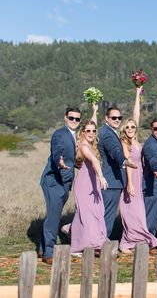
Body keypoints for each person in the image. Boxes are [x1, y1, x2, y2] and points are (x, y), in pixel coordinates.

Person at [118, 87, 157, 253]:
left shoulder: (135, 140)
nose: (130, 129)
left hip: (138, 176)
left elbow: (136, 116)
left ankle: (133, 240)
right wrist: (129, 183)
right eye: (127, 128)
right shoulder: (124, 142)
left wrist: (137, 94)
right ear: (123, 129)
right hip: (131, 177)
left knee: (138, 212)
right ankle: (127, 242)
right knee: (130, 211)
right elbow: (127, 162)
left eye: (132, 127)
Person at [39, 106, 81, 264]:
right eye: (71, 118)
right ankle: (49, 253)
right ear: (65, 118)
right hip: (54, 180)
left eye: (77, 119)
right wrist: (59, 162)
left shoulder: (74, 135)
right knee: (54, 215)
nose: (74, 121)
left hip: (65, 181)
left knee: (53, 214)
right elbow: (57, 151)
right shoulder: (60, 134)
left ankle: (43, 248)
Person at [70, 115, 109, 255]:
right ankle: (80, 245)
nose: (91, 133)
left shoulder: (92, 146)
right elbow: (94, 161)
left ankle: (93, 240)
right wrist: (102, 176)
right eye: (88, 131)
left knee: (97, 211)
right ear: (83, 133)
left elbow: (92, 123)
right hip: (85, 184)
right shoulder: (83, 146)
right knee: (87, 213)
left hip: (94, 183)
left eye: (93, 131)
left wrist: (94, 110)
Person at [98, 106, 136, 238]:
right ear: (106, 119)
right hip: (111, 181)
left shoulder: (108, 131)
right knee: (107, 215)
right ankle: (101, 244)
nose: (117, 120)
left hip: (113, 181)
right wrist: (124, 161)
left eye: (119, 118)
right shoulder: (107, 134)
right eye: (113, 118)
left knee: (104, 213)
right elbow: (115, 151)